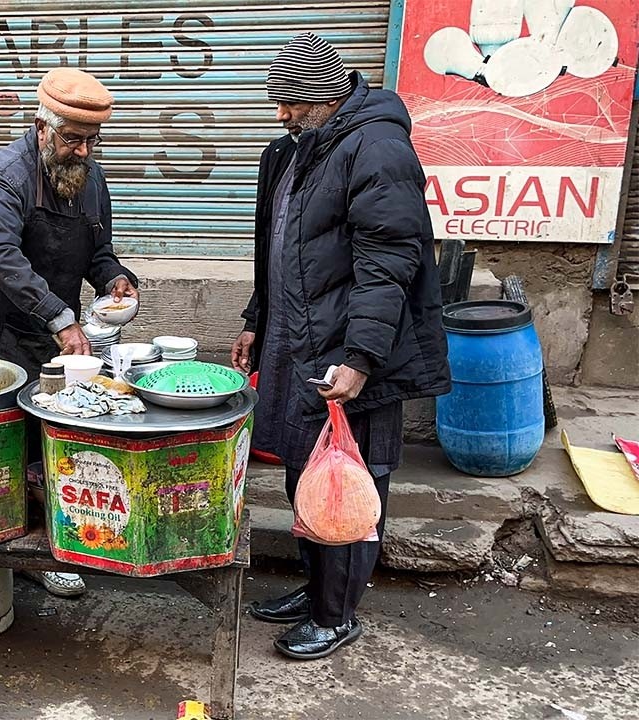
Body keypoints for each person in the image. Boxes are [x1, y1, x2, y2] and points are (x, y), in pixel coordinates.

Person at [230, 33, 450, 660]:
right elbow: (277, 248)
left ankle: (336, 614)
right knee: (307, 473)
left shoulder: (376, 148)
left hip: (351, 353)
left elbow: (389, 263)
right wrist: (257, 319)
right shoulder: (299, 148)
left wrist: (360, 359)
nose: (282, 114)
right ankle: (315, 590)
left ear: (325, 94)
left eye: (291, 101)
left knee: (350, 482)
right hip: (299, 342)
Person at [0, 68, 139, 598]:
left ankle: (38, 546)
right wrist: (62, 317)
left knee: (43, 434)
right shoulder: (6, 173)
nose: (83, 151)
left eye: (92, 141)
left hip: (49, 327)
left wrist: (115, 279)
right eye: (72, 139)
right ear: (42, 127)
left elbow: (99, 250)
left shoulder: (91, 178)